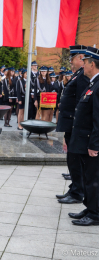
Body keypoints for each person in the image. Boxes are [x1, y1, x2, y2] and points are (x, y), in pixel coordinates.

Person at [67, 46, 99, 225]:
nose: (83, 65)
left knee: (93, 178)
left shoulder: (98, 85)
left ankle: (95, 214)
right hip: (85, 141)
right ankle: (90, 207)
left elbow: (98, 119)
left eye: (85, 62)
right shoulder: (93, 83)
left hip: (92, 143)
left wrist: (95, 144)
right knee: (88, 177)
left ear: (92, 64)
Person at [56, 45, 90, 204]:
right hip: (70, 124)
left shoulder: (83, 76)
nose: (70, 61)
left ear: (81, 58)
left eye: (73, 58)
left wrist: (76, 126)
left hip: (74, 124)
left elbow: (81, 103)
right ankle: (75, 188)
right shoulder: (78, 74)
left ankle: (77, 192)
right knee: (72, 159)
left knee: (75, 159)